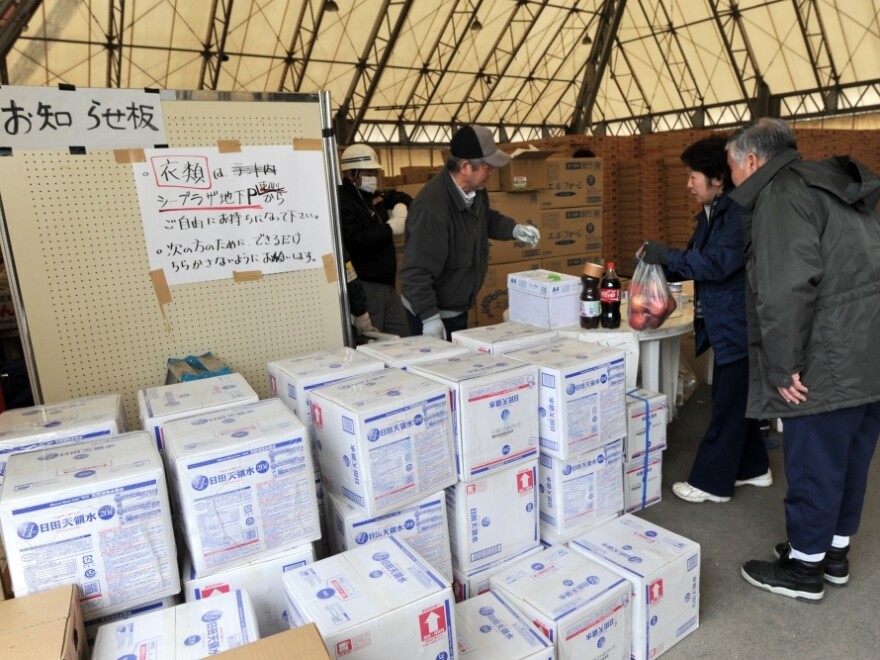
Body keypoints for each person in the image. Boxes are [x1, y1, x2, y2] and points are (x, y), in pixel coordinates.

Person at [726, 117, 880, 601]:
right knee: (849, 459)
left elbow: (786, 288)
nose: (733, 178)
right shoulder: (834, 186)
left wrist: (781, 365)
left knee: (814, 460)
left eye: (731, 168)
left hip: (826, 353)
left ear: (751, 161)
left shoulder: (781, 195)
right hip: (867, 348)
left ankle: (803, 569)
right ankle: (832, 554)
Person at [640, 135, 770, 504]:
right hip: (729, 319)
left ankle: (711, 484)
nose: (688, 184)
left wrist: (666, 256)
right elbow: (699, 256)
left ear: (717, 178)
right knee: (738, 400)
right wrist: (664, 266)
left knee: (727, 406)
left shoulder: (737, 214)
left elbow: (716, 264)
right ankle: (753, 469)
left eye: (693, 176)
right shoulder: (715, 213)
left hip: (741, 322)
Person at [399, 125, 540, 340]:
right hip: (430, 312)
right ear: (465, 167)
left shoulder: (475, 192)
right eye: (487, 166)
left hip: (456, 306)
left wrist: (513, 229)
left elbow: (485, 219)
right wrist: (429, 317)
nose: (491, 172)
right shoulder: (431, 209)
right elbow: (416, 272)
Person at [338, 143, 411, 337]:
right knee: (375, 340)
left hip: (387, 282)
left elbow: (398, 194)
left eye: (375, 173)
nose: (373, 178)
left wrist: (400, 205)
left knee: (402, 336)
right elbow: (356, 239)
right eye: (367, 173)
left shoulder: (371, 196)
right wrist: (388, 228)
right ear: (350, 173)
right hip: (366, 285)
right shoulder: (343, 202)